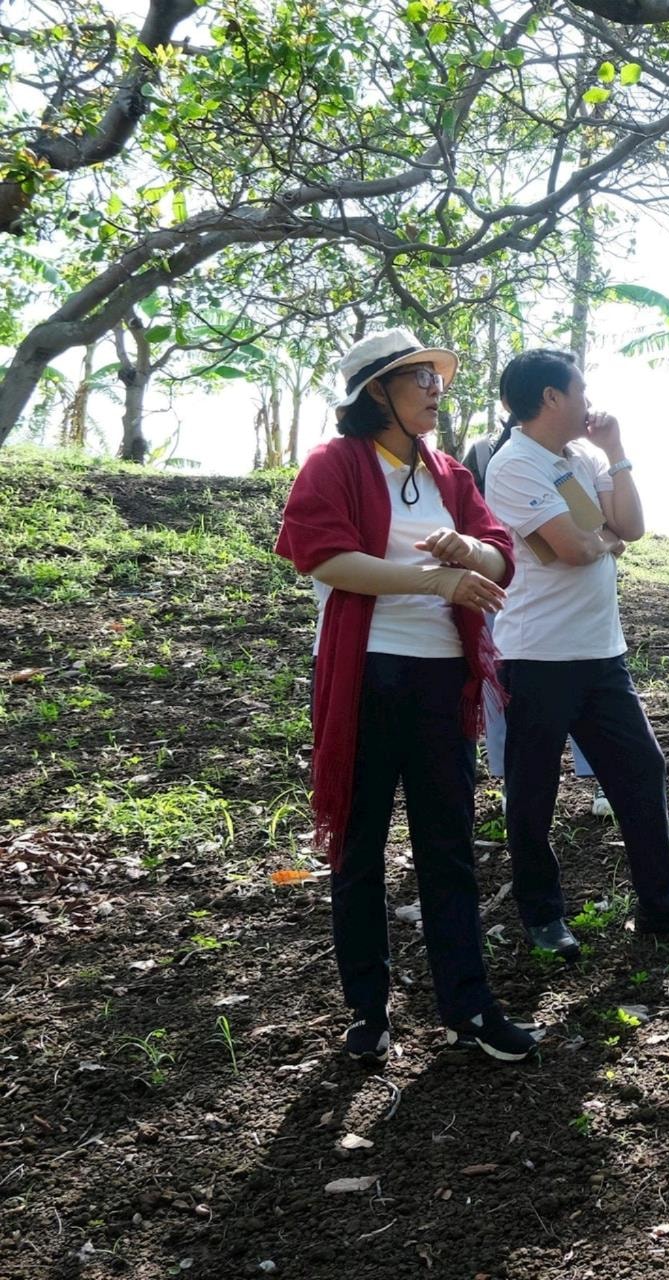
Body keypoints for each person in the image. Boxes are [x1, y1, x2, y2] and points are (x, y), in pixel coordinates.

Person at [274, 327, 537, 1064]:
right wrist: (437, 578)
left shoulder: (450, 474)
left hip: (439, 678)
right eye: (417, 376)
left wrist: (469, 552)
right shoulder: (336, 463)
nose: (434, 388)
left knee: (447, 846)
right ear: (375, 392)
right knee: (359, 848)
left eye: (435, 374)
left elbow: (500, 553)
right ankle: (367, 1011)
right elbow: (323, 557)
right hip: (365, 675)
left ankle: (469, 1007)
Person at [483, 348, 669, 960]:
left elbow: (631, 527)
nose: (590, 403)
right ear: (550, 399)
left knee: (641, 771)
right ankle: (542, 914)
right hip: (536, 657)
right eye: (581, 391)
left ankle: (661, 899)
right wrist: (600, 539)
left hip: (600, 654)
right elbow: (571, 547)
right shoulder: (513, 465)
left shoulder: (585, 456)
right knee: (533, 792)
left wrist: (616, 451)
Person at [463, 419, 606, 817]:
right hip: (502, 586)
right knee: (505, 694)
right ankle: (513, 785)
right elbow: (467, 515)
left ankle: (598, 781)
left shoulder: (573, 458)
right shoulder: (486, 454)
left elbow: (603, 525)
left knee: (583, 694)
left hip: (563, 598)